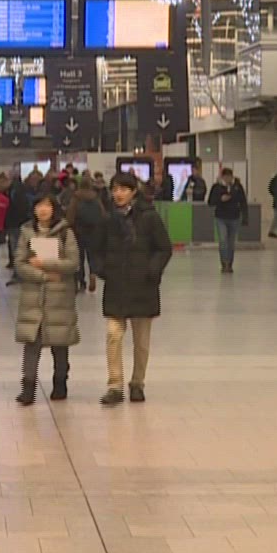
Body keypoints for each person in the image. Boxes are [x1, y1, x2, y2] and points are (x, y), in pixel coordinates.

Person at [97, 173, 172, 406]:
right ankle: (115, 385)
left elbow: (164, 248)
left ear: (133, 191)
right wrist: (103, 270)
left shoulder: (149, 217)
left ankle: (137, 383)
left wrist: (152, 271)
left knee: (141, 342)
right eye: (115, 189)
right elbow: (96, 249)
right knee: (113, 334)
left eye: (123, 189)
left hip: (143, 287)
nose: (118, 194)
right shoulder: (108, 219)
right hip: (116, 285)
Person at [12, 193, 81, 404]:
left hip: (60, 297)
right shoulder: (26, 232)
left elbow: (73, 263)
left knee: (60, 343)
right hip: (33, 296)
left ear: (54, 209)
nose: (43, 210)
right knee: (31, 342)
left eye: (47, 206)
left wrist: (44, 263)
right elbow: (20, 264)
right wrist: (43, 275)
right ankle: (28, 387)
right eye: (39, 206)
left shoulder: (65, 233)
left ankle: (60, 382)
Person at [207, 168, 248, 274]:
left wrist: (245, 217)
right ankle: (224, 263)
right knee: (223, 240)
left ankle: (230, 264)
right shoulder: (216, 187)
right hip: (221, 217)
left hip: (234, 217)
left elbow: (243, 202)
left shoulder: (237, 187)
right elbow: (210, 202)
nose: (227, 179)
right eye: (225, 177)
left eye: (229, 177)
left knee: (231, 242)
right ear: (222, 177)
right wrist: (220, 199)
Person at [69, 176, 105, 293]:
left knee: (79, 257)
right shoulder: (95, 196)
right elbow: (103, 213)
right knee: (92, 255)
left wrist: (69, 225)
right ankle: (93, 273)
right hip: (93, 231)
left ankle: (81, 282)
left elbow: (71, 215)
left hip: (78, 231)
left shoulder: (76, 196)